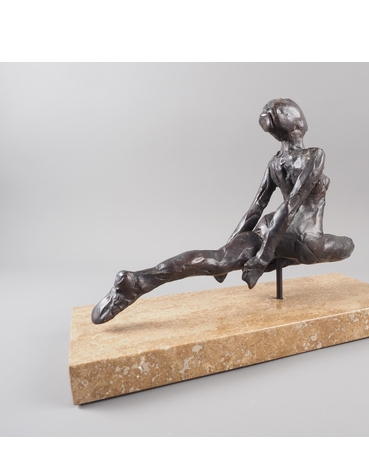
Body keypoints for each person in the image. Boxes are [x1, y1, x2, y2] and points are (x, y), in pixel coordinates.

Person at [92, 98, 354, 324]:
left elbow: (255, 209)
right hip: (304, 239)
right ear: (298, 124)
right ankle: (271, 258)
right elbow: (291, 204)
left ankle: (139, 280)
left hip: (268, 228)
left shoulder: (275, 163)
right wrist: (262, 259)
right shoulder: (314, 155)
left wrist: (228, 253)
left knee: (218, 259)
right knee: (348, 247)